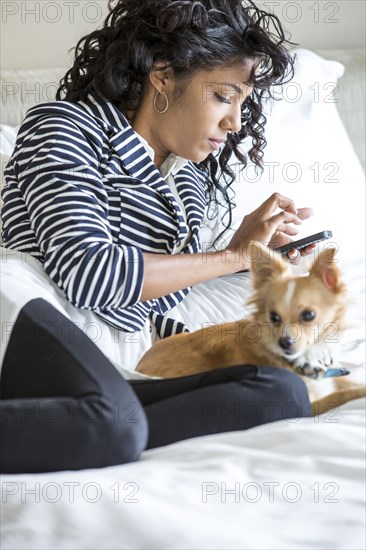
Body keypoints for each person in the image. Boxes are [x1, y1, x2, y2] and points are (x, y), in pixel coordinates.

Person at [0, 0, 314, 474]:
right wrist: (230, 255)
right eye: (224, 96)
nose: (234, 123)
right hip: (27, 312)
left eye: (242, 104)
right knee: (115, 423)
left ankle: (93, 431)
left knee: (282, 391)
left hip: (110, 362)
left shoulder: (187, 178)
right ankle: (106, 429)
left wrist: (254, 256)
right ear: (163, 76)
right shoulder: (63, 126)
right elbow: (91, 274)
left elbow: (154, 295)